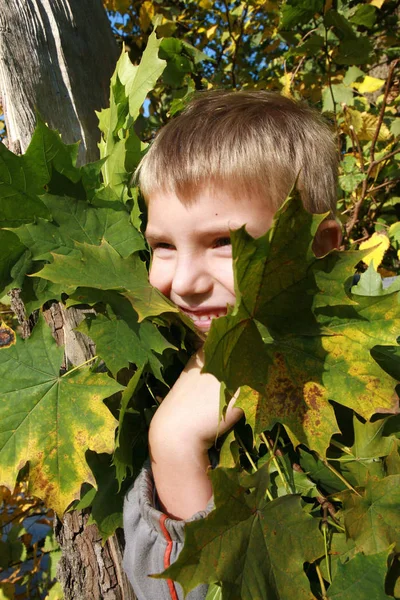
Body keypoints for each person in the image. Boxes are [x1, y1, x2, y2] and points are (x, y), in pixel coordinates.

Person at [123, 90, 342, 600]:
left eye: (224, 242)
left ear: (318, 247)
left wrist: (174, 443)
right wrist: (175, 445)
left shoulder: (368, 386)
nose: (184, 283)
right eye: (164, 247)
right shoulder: (165, 369)